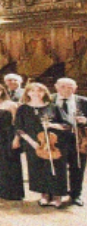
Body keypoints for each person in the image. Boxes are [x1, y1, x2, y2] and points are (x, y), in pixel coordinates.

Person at [16, 81, 69, 207]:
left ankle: (57, 196)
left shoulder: (53, 107)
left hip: (54, 143)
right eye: (32, 90)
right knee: (38, 168)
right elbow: (19, 128)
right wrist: (32, 143)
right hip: (33, 144)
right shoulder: (23, 108)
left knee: (57, 169)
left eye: (40, 90)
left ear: (45, 92)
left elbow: (66, 125)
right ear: (27, 93)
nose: (36, 93)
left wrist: (52, 125)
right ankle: (44, 195)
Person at [53, 78, 86, 206]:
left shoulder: (83, 101)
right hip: (55, 140)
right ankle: (57, 194)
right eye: (63, 86)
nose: (66, 89)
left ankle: (75, 194)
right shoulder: (49, 99)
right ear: (56, 87)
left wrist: (85, 120)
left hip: (78, 139)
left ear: (75, 88)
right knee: (57, 168)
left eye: (70, 87)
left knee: (78, 167)